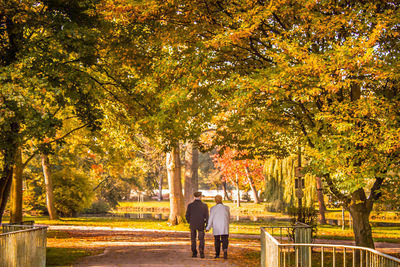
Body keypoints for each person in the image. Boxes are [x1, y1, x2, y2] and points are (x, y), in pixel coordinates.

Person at [185, 191, 209, 258]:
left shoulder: (190, 205)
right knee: (201, 239)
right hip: (201, 223)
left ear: (194, 197)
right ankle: (201, 250)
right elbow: (207, 216)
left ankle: (194, 252)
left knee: (193, 238)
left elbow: (187, 215)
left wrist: (189, 221)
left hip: (193, 224)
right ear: (200, 197)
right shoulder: (204, 205)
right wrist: (207, 224)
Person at [206, 195, 230, 259]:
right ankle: (225, 250)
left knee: (217, 240)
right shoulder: (227, 208)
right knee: (225, 239)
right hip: (224, 226)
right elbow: (228, 217)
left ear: (215, 200)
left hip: (216, 226)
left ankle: (217, 254)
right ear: (221, 199)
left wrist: (208, 227)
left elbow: (211, 218)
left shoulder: (213, 208)